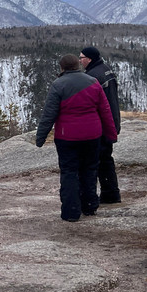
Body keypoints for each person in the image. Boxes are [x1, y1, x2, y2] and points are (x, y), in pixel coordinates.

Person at [35, 54, 118, 222]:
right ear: (77, 66)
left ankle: (71, 212)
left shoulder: (58, 85)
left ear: (62, 68)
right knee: (89, 170)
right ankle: (89, 207)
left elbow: (49, 114)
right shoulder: (93, 82)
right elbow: (105, 111)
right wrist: (111, 134)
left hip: (68, 137)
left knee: (69, 172)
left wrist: (41, 137)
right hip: (92, 135)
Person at [80, 46, 122, 204]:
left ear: (89, 59)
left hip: (102, 124)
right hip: (112, 120)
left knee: (99, 160)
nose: (80, 60)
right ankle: (111, 193)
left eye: (81, 57)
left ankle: (109, 194)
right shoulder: (106, 69)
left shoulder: (92, 76)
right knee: (106, 159)